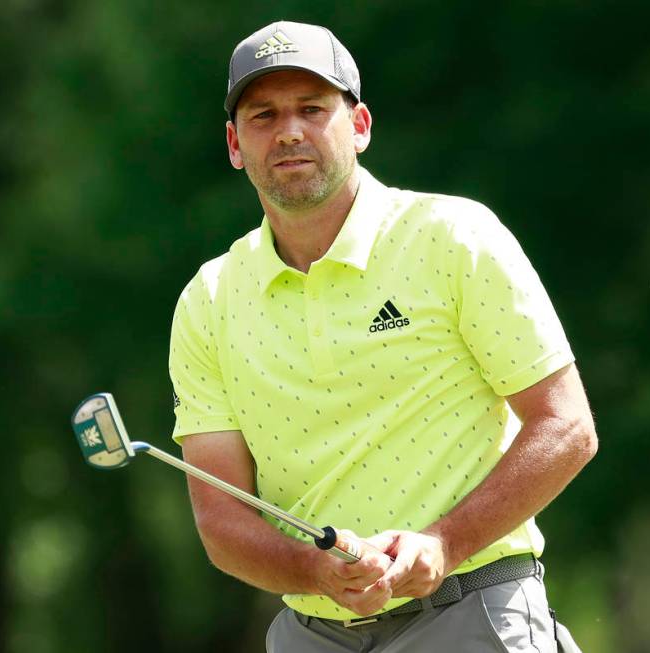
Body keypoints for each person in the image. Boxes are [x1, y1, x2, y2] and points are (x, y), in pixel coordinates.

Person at [168, 20, 597, 653]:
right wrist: (316, 571)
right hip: (310, 633)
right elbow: (222, 522)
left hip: (471, 607)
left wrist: (445, 542)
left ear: (360, 125)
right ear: (235, 144)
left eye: (313, 108)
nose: (289, 131)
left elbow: (566, 427)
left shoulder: (452, 237)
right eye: (264, 116)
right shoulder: (209, 299)